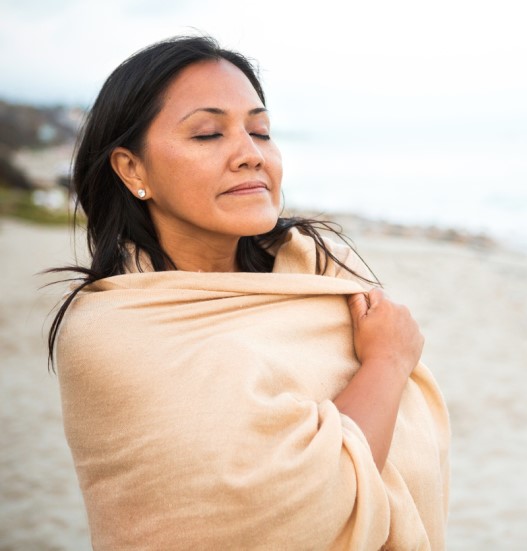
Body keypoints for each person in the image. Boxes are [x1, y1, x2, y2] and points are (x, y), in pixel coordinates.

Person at [48, 35, 450, 550]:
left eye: (260, 131)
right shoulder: (115, 331)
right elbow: (310, 504)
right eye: (208, 134)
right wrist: (387, 364)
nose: (249, 154)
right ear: (132, 169)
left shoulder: (323, 275)